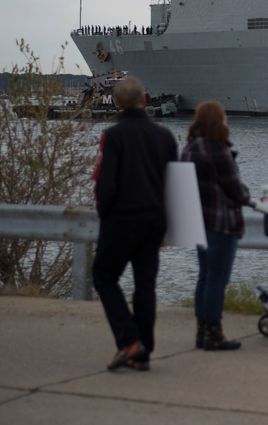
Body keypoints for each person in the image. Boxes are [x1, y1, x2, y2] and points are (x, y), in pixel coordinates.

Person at [93, 75, 178, 371]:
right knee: (145, 287)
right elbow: (173, 187)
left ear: (116, 102)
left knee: (104, 277)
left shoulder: (113, 136)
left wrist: (106, 219)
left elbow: (105, 186)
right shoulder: (166, 137)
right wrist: (167, 226)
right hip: (154, 221)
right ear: (144, 100)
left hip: (121, 220)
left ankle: (129, 340)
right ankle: (142, 350)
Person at [182, 100, 258, 351]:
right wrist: (251, 199)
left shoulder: (189, 149)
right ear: (219, 121)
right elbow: (235, 189)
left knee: (204, 276)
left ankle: (201, 332)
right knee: (218, 278)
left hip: (197, 222)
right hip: (221, 223)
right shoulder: (218, 149)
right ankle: (214, 333)